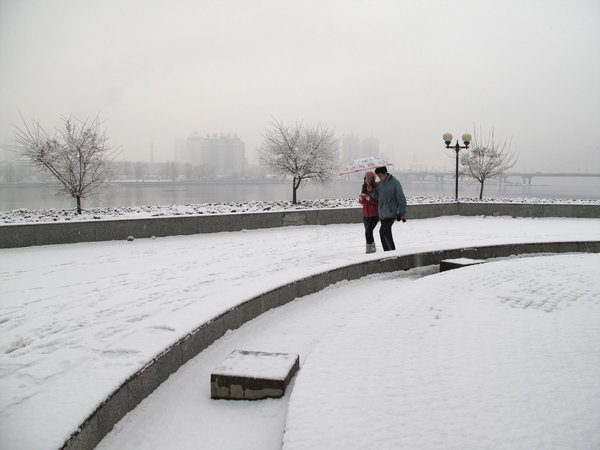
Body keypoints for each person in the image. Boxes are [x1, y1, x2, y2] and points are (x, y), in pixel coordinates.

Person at [367, 166, 407, 251]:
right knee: (387, 233)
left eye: (381, 176)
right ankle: (391, 252)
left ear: (385, 173)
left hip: (391, 212)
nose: (380, 178)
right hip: (382, 213)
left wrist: (402, 213)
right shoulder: (380, 184)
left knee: (383, 232)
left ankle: (388, 252)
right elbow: (378, 197)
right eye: (378, 176)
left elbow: (401, 198)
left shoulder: (395, 182)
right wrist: (371, 191)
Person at [358, 171, 379, 253]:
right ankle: (373, 248)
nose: (367, 180)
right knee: (369, 232)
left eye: (369, 178)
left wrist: (369, 198)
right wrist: (361, 199)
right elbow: (362, 203)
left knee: (368, 232)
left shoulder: (376, 186)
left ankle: (369, 250)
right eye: (366, 178)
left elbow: (378, 201)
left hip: (374, 214)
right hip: (365, 214)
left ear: (373, 179)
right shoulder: (363, 187)